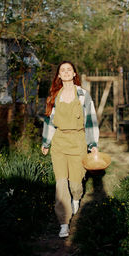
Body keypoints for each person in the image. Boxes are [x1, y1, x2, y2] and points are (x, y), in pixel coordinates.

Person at [41, 61, 99, 238]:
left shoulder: (83, 95)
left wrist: (93, 145)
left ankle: (76, 198)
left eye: (69, 69)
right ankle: (64, 222)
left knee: (75, 183)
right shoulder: (54, 96)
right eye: (62, 70)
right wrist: (46, 143)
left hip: (78, 141)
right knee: (60, 183)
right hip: (59, 142)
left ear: (74, 74)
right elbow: (49, 122)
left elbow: (91, 121)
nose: (66, 72)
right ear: (59, 75)